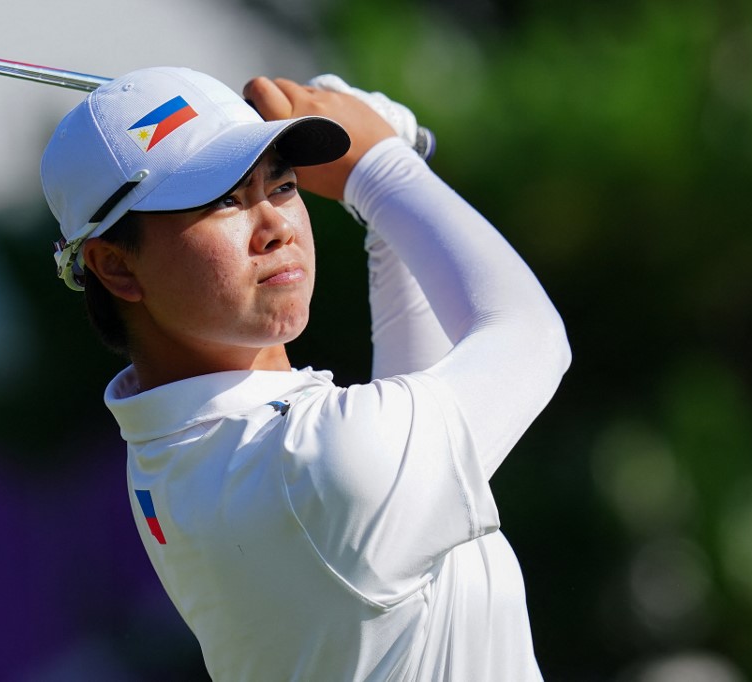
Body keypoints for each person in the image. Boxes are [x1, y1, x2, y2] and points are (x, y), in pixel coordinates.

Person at [40, 66, 570, 681]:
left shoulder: (184, 453)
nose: (276, 228)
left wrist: (383, 199)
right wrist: (381, 165)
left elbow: (415, 409)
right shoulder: (312, 463)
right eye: (224, 202)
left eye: (283, 185)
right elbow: (530, 338)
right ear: (115, 266)